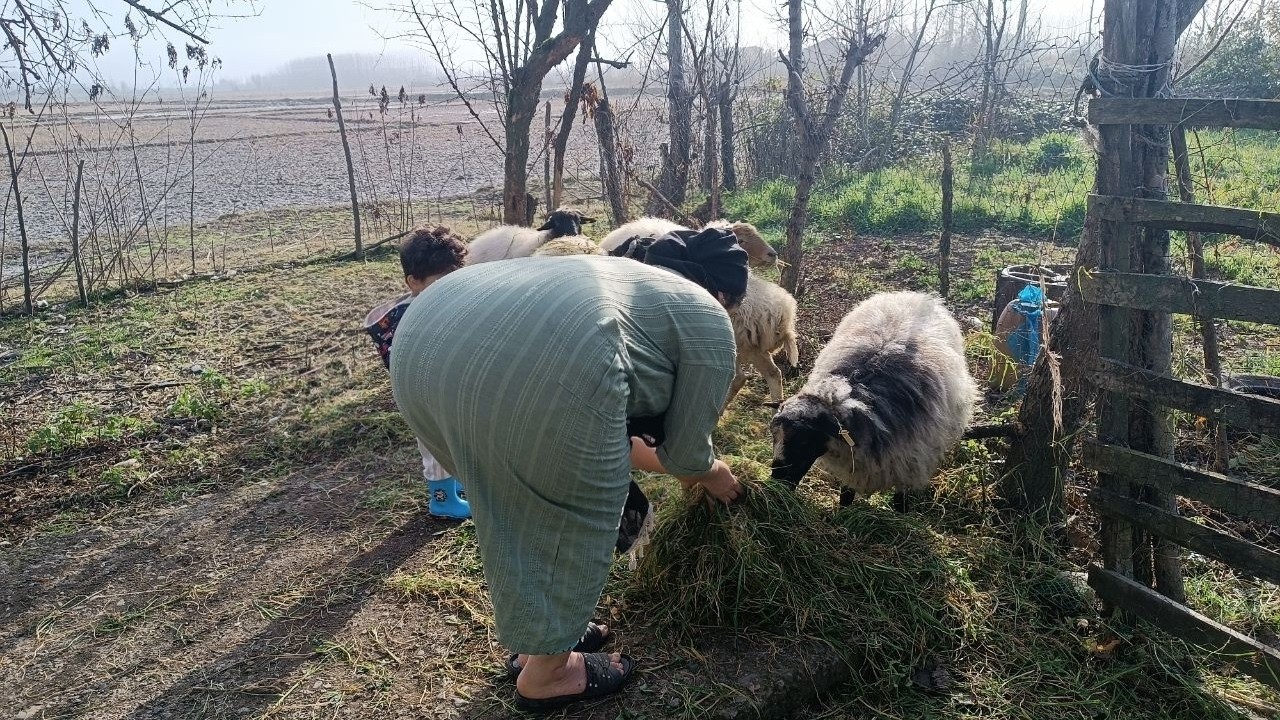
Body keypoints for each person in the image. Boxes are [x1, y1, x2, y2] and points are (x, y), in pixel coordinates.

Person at [389, 228, 748, 711]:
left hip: (421, 343)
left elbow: (623, 437)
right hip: (543, 366)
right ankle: (548, 676)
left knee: (515, 501)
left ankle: (542, 638)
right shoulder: (706, 317)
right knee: (575, 508)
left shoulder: (623, 281)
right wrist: (713, 472)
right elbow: (685, 453)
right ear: (724, 295)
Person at [363, 226, 472, 519]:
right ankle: (442, 499)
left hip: (448, 384)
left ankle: (458, 483)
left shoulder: (448, 303)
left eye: (456, 278)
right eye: (440, 281)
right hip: (423, 393)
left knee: (455, 436)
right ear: (414, 282)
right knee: (433, 440)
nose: (451, 287)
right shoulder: (413, 318)